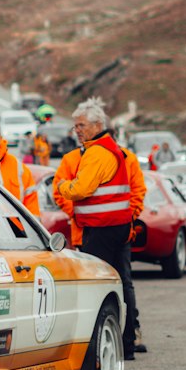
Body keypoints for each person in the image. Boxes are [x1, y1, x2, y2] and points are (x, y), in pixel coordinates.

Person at [52, 121, 146, 355]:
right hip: (86, 231)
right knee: (95, 285)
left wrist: (127, 217)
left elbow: (137, 192)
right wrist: (76, 213)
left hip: (117, 230)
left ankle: (128, 336)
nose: (78, 131)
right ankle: (97, 340)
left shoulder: (127, 158)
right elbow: (59, 189)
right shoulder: (71, 159)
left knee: (122, 282)